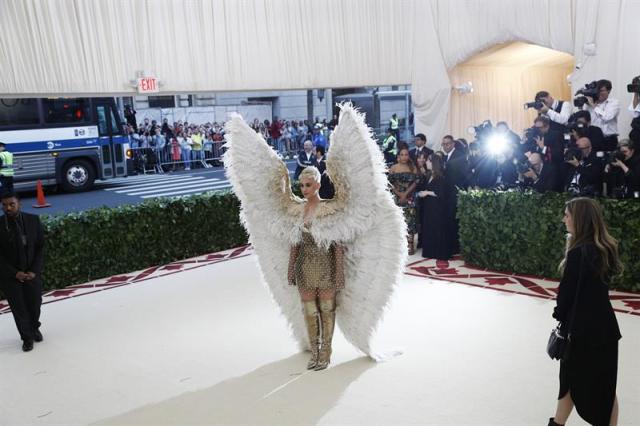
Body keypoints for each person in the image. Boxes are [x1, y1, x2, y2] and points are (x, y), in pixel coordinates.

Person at [549, 197, 622, 426]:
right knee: (605, 387)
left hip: (580, 332)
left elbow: (566, 298)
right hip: (605, 330)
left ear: (578, 219)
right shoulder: (605, 248)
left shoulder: (578, 253)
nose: (564, 219)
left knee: (570, 382)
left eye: (567, 215)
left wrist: (558, 314)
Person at [286, 167, 345, 370]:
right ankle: (315, 350)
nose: (304, 189)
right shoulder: (298, 210)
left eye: (308, 185)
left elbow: (338, 244)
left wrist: (339, 272)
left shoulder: (328, 209)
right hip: (304, 266)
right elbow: (294, 242)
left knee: (327, 310)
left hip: (326, 265)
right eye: (301, 185)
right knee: (309, 311)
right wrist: (290, 268)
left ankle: (326, 352)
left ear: (318, 185)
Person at [0, 193, 46, 352]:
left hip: (32, 273)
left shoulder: (33, 220)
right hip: (10, 276)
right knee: (19, 308)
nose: (8, 208)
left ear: (19, 203)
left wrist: (34, 270)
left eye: (11, 204)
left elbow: (40, 247)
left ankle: (34, 328)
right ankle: (26, 337)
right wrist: (15, 273)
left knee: (35, 305)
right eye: (4, 205)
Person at [416, 154, 449, 260]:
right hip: (429, 206)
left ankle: (438, 252)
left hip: (437, 207)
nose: (427, 162)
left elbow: (441, 193)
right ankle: (430, 251)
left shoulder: (440, 177)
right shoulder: (430, 175)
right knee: (429, 228)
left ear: (434, 163)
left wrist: (427, 192)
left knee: (436, 228)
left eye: (429, 161)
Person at [389, 146, 418, 255]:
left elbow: (415, 183)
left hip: (409, 197)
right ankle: (399, 245)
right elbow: (390, 184)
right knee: (398, 220)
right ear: (398, 156)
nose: (404, 156)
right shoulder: (393, 168)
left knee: (410, 221)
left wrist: (405, 194)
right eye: (402, 154)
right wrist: (399, 194)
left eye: (406, 154)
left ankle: (410, 245)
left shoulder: (412, 167)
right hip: (397, 197)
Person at [442, 135, 467, 255]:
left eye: (447, 144)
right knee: (449, 219)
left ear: (452, 144)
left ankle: (456, 246)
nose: (445, 146)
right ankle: (451, 244)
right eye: (443, 144)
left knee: (454, 220)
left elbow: (463, 175)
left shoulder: (459, 156)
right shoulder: (445, 157)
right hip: (448, 193)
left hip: (455, 192)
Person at [583, 79, 620, 151]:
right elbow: (585, 118)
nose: (599, 93)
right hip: (593, 139)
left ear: (609, 91)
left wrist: (594, 106)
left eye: (602, 90)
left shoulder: (614, 102)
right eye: (597, 90)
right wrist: (585, 103)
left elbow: (607, 117)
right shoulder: (590, 104)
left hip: (608, 140)